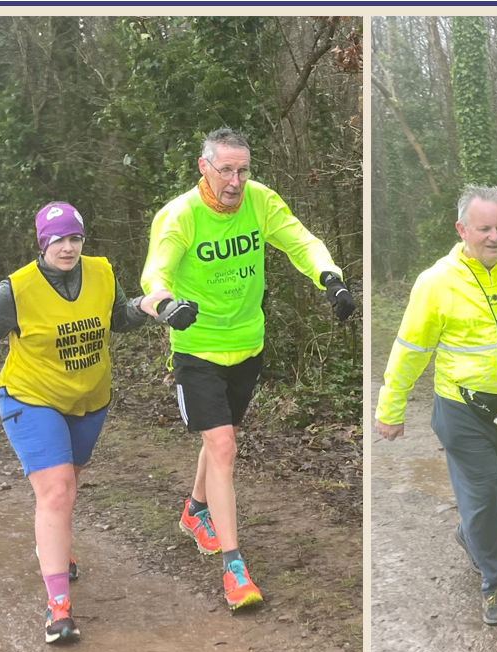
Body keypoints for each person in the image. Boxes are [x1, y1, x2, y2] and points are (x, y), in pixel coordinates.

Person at [0, 202, 181, 643]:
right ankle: (59, 610)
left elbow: (116, 320)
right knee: (56, 491)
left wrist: (144, 306)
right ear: (42, 243)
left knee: (68, 485)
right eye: (58, 241)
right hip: (30, 398)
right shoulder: (16, 290)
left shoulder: (102, 271)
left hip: (90, 399)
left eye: (74, 238)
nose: (67, 248)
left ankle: (55, 549)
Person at [140, 127, 356, 612]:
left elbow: (300, 241)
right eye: (227, 170)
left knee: (221, 440)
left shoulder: (259, 202)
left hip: (248, 346)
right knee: (223, 445)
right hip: (197, 350)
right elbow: (155, 274)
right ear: (204, 168)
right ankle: (235, 569)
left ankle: (196, 511)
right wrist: (167, 305)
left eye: (243, 170)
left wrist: (329, 278)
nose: (236, 181)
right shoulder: (180, 216)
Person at [375, 184, 497, 626]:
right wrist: (391, 406)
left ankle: (470, 534)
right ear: (462, 229)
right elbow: (410, 348)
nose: (495, 237)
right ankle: (496, 586)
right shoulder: (436, 283)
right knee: (482, 494)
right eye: (485, 228)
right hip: (460, 409)